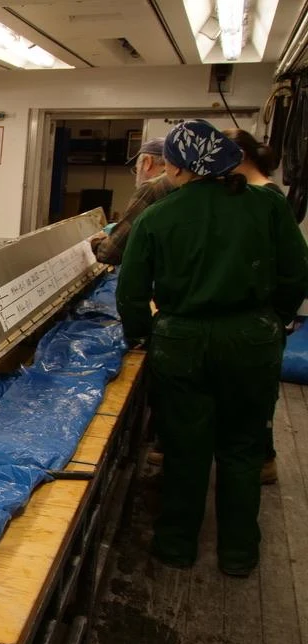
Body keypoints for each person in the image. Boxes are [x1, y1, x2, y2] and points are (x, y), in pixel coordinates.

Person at [117, 119, 308, 577]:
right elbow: (296, 272)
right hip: (251, 340)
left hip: (181, 342)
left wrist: (145, 335)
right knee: (243, 448)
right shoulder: (267, 205)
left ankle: (176, 545)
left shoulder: (158, 216)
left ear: (178, 168)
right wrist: (273, 321)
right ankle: (239, 553)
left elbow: (131, 292)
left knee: (186, 448)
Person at [225, 128, 286, 484]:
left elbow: (287, 266)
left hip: (259, 317)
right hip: (257, 319)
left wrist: (276, 315)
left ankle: (263, 460)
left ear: (240, 156)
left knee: (255, 401)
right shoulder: (250, 194)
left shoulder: (266, 198)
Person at [90, 138, 173, 266]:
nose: (136, 176)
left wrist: (96, 241)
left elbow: (110, 253)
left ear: (147, 162)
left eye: (136, 169)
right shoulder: (182, 183)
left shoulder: (152, 188)